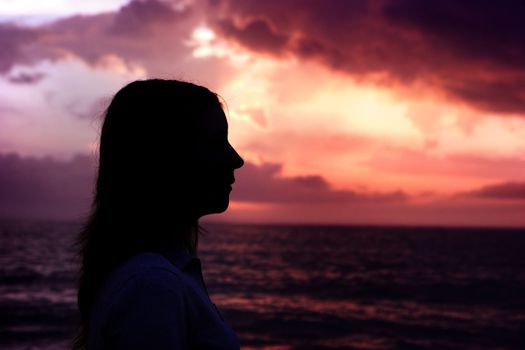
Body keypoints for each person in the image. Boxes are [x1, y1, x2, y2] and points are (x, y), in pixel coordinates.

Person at [71, 79, 244, 350]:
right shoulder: (152, 286)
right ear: (168, 158)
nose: (236, 159)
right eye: (215, 143)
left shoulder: (154, 277)